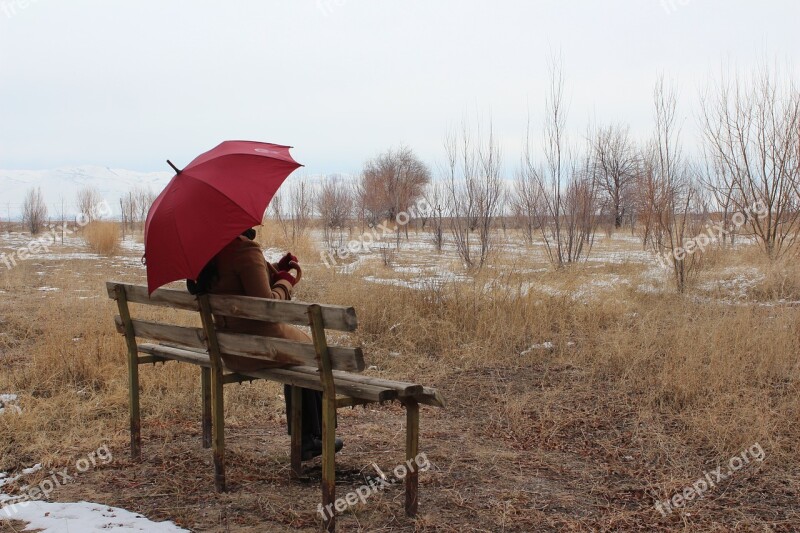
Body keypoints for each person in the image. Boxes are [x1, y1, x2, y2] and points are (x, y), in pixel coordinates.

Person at [187, 228, 342, 460]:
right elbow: (267, 307)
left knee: (304, 354)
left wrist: (272, 270)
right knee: (312, 354)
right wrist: (286, 282)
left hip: (230, 348)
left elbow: (237, 283)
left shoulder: (205, 252)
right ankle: (310, 439)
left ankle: (310, 437)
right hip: (259, 346)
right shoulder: (244, 249)